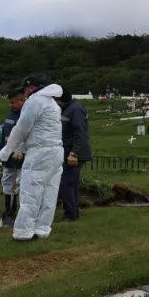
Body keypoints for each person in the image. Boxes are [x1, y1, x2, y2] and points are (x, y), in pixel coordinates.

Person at [0, 76, 64, 241]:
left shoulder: (35, 101)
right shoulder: (52, 103)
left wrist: (7, 150)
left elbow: (22, 128)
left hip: (40, 153)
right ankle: (42, 228)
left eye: (25, 90)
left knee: (30, 192)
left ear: (30, 88)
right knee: (49, 192)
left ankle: (23, 232)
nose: (25, 93)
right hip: (56, 151)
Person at [57, 88, 93, 221]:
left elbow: (80, 132)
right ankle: (72, 211)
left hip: (75, 153)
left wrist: (74, 153)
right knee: (70, 183)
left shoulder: (75, 109)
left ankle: (71, 213)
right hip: (67, 151)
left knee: (65, 183)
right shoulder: (66, 108)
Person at [0, 87, 26, 227]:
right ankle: (8, 210)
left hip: (21, 157)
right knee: (7, 182)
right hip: (7, 157)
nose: (11, 105)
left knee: (19, 184)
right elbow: (4, 138)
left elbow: (28, 138)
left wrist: (22, 152)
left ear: (22, 100)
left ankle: (17, 211)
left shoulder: (26, 116)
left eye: (13, 102)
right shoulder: (9, 116)